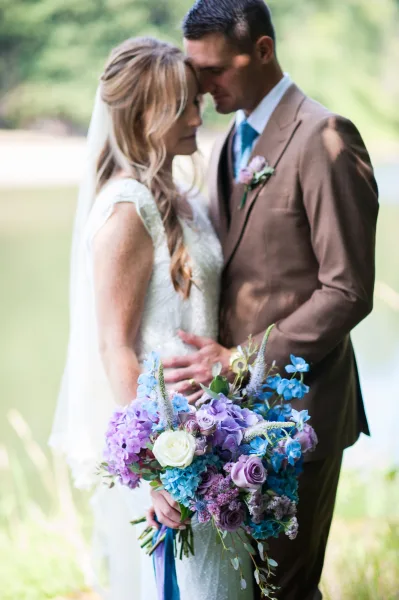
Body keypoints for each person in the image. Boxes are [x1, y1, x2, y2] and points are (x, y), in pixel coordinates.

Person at [162, 1, 379, 598]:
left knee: (286, 589)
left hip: (297, 415)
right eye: (194, 70)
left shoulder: (325, 137)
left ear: (262, 51)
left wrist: (239, 359)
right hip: (229, 423)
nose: (201, 88)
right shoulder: (229, 141)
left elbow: (348, 290)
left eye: (214, 71)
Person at [50, 36, 252, 600]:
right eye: (184, 103)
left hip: (214, 435)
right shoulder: (126, 206)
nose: (198, 112)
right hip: (173, 448)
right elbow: (114, 347)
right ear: (146, 115)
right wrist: (157, 468)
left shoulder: (178, 194)